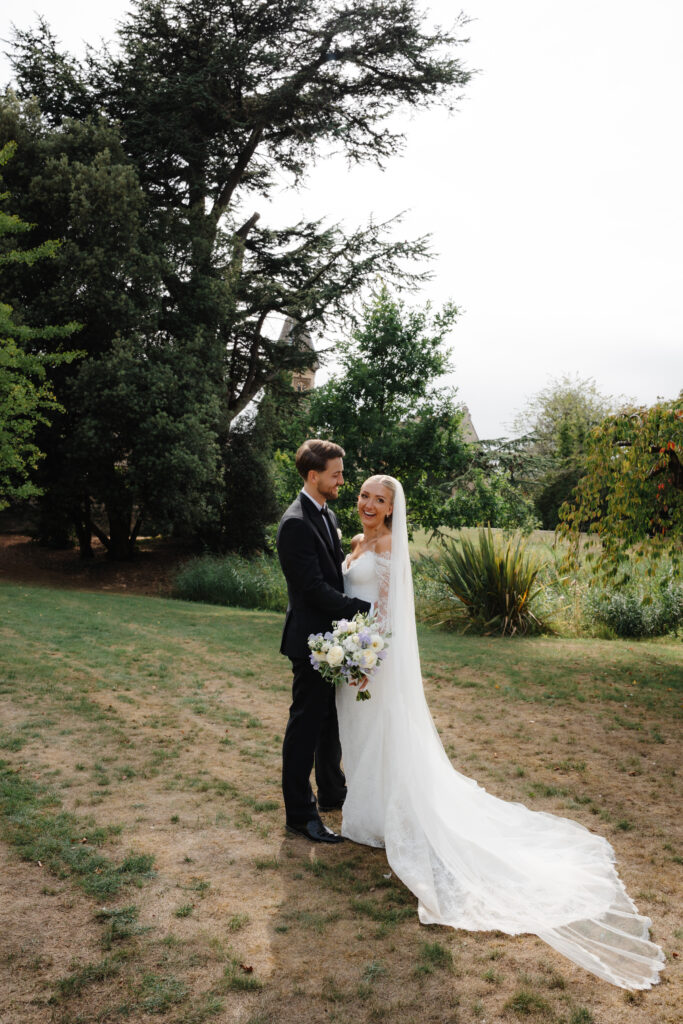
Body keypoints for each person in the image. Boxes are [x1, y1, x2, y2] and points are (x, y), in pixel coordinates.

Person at [335, 474, 665, 990]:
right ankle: (367, 810)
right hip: (352, 652)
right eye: (364, 496)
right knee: (358, 734)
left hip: (374, 658)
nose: (368, 504)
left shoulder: (390, 548)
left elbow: (386, 610)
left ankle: (389, 816)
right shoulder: (356, 541)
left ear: (394, 509)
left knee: (383, 733)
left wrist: (366, 656)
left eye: (380, 499)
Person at [276, 439, 371, 844]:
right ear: (314, 476)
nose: (341, 481)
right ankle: (300, 814)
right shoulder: (296, 522)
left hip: (332, 640)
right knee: (305, 726)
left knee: (329, 723)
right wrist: (363, 608)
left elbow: (334, 572)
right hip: (309, 641)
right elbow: (313, 588)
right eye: (336, 474)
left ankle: (333, 791)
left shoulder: (326, 514)